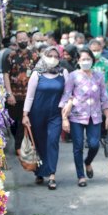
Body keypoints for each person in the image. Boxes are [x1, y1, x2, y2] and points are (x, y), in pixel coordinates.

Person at [60, 48, 108, 187]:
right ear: (78, 61)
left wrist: (107, 116)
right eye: (83, 59)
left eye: (88, 59)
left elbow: (104, 97)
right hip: (76, 116)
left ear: (92, 60)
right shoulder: (73, 76)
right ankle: (80, 176)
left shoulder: (99, 76)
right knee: (78, 146)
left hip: (95, 116)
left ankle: (88, 162)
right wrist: (64, 117)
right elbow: (66, 95)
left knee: (94, 144)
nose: (86, 62)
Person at [22, 47, 67, 190]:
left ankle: (52, 174)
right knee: (40, 143)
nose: (53, 58)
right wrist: (25, 114)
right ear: (44, 56)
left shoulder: (63, 73)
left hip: (55, 114)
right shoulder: (37, 74)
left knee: (53, 141)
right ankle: (39, 171)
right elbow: (29, 96)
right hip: (37, 113)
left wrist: (63, 106)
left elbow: (67, 93)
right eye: (50, 55)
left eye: (56, 56)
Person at [4, 31, 39, 152]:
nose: (22, 41)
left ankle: (21, 147)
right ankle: (20, 144)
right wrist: (9, 93)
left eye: (24, 38)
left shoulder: (35, 56)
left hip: (31, 96)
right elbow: (6, 75)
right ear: (16, 41)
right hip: (15, 96)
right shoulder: (10, 56)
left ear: (28, 39)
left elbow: (40, 74)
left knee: (27, 122)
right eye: (20, 39)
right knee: (14, 122)